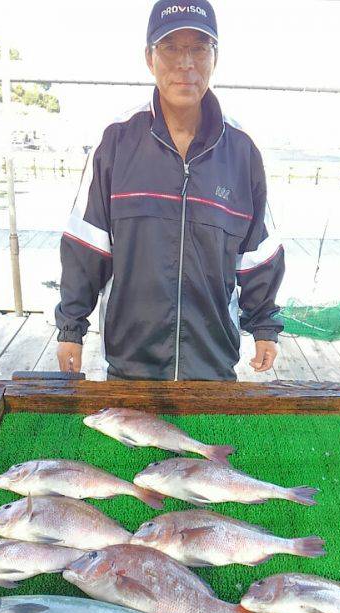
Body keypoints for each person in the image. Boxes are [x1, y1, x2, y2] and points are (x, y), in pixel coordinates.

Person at [56, 0, 285, 380]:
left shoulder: (243, 152)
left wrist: (264, 327)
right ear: (149, 57)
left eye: (198, 47)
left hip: (213, 363)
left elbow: (258, 253)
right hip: (130, 363)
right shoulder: (116, 142)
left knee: (215, 443)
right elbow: (86, 244)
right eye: (170, 47)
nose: (185, 63)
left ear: (215, 57)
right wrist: (71, 328)